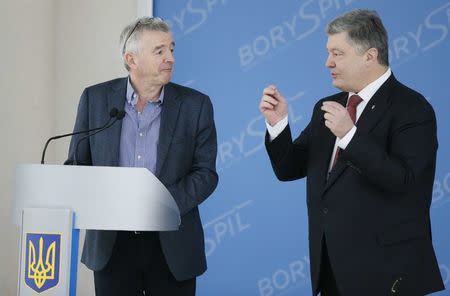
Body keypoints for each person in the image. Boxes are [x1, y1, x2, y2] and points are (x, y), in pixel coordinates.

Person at [259, 9, 444, 296]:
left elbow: (405, 182)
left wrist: (350, 135)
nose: (327, 63)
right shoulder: (328, 106)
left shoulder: (413, 108)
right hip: (332, 269)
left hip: (387, 273)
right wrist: (278, 125)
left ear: (370, 55)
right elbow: (288, 169)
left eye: (337, 53)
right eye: (328, 53)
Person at [65, 17, 218, 296]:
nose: (170, 58)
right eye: (159, 51)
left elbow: (205, 173)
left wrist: (160, 205)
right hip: (112, 246)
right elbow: (77, 165)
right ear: (131, 59)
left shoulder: (196, 105)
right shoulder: (95, 99)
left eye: (171, 49)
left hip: (173, 245)